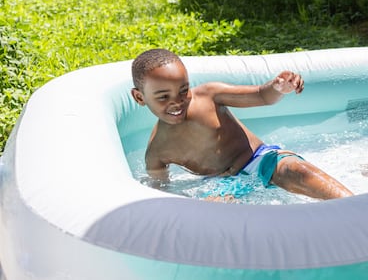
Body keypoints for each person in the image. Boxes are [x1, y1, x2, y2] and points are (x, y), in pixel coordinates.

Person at [130, 48, 353, 200]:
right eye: (163, 97)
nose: (177, 101)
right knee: (212, 214)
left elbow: (260, 96)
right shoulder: (157, 151)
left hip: (259, 160)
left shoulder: (209, 95)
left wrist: (277, 88)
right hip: (221, 185)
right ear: (140, 97)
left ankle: (356, 206)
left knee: (297, 170)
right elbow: (162, 194)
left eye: (183, 90)